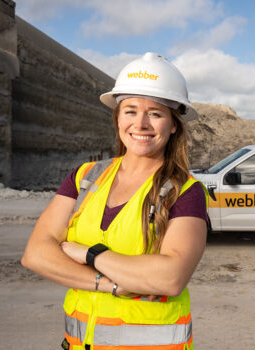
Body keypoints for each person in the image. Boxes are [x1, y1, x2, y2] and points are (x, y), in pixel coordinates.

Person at [22, 52, 208, 350]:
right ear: (118, 117)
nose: (141, 123)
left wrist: (89, 254)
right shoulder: (85, 177)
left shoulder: (185, 190)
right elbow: (35, 254)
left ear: (174, 125)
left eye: (156, 113)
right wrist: (111, 285)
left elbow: (170, 277)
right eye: (131, 110)